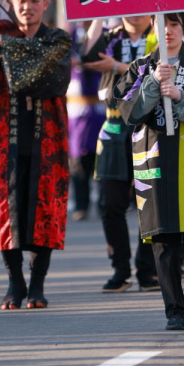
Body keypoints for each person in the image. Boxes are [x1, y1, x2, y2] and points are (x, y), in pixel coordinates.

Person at [114, 12, 184, 330]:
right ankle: (174, 311)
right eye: (161, 24)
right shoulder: (140, 68)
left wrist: (182, 96)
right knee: (162, 238)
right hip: (152, 157)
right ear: (153, 27)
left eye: (174, 24)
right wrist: (152, 83)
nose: (168, 31)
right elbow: (127, 108)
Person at [0, 0, 71, 310]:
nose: (27, 7)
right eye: (20, 1)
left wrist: (6, 44)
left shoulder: (57, 39)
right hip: (5, 138)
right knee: (4, 207)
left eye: (34, 0)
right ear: (11, 4)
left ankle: (38, 283)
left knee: (45, 208)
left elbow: (45, 67)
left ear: (46, 3)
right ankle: (15, 281)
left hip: (48, 140)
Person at [82, 14, 159, 293]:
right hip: (114, 125)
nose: (134, 11)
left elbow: (162, 71)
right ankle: (120, 269)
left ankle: (148, 268)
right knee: (110, 203)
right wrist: (98, 15)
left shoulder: (159, 33)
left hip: (149, 126)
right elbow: (87, 56)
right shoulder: (111, 35)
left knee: (149, 201)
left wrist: (117, 66)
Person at [67, 26, 105, 221]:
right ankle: (81, 205)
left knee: (103, 162)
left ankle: (103, 205)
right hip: (77, 116)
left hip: (101, 112)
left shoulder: (105, 33)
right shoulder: (68, 36)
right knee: (78, 164)